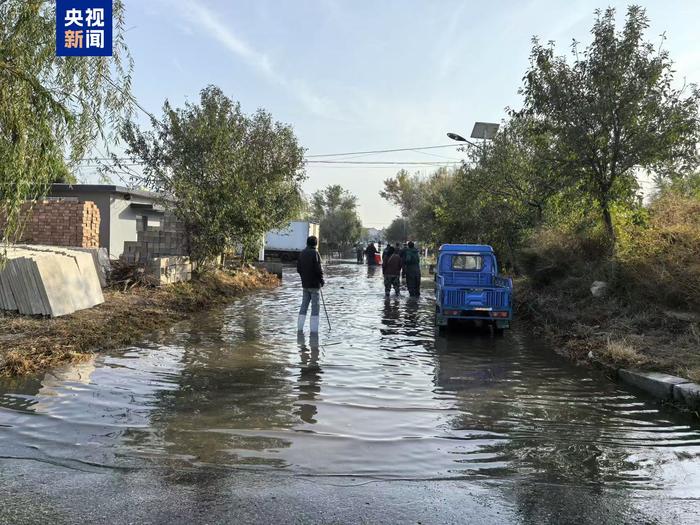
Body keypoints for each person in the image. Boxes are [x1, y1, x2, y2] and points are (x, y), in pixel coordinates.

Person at [297, 235, 324, 333]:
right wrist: (321, 280)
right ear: (315, 244)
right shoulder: (315, 253)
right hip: (314, 285)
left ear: (307, 243)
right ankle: (314, 332)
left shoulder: (302, 253)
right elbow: (318, 269)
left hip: (305, 284)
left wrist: (304, 278)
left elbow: (298, 269)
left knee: (304, 306)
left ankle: (299, 329)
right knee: (315, 308)